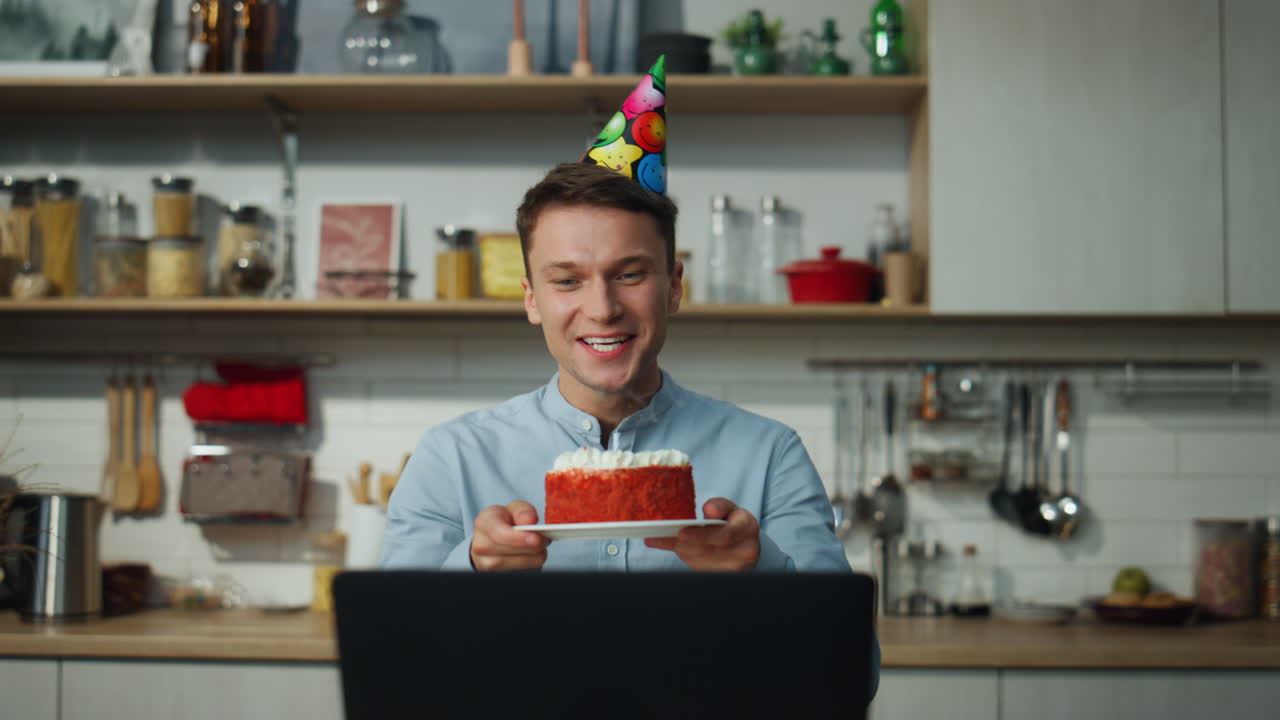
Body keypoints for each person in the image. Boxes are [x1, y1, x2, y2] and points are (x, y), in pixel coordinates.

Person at [382, 161, 851, 574]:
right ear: (531, 298)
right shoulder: (452, 459)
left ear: (674, 286)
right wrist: (471, 568)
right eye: (567, 281)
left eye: (629, 275)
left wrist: (762, 568)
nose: (602, 309)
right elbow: (388, 658)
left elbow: (848, 668)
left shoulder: (770, 457)